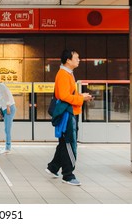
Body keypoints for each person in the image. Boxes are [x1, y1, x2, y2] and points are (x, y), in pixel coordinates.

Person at [46, 49, 93, 186]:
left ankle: (53, 167)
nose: (79, 60)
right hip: (67, 113)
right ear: (68, 60)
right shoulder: (63, 75)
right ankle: (68, 175)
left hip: (70, 112)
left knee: (63, 143)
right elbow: (64, 96)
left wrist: (82, 97)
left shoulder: (68, 74)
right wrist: (81, 98)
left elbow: (68, 94)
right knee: (69, 144)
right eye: (76, 58)